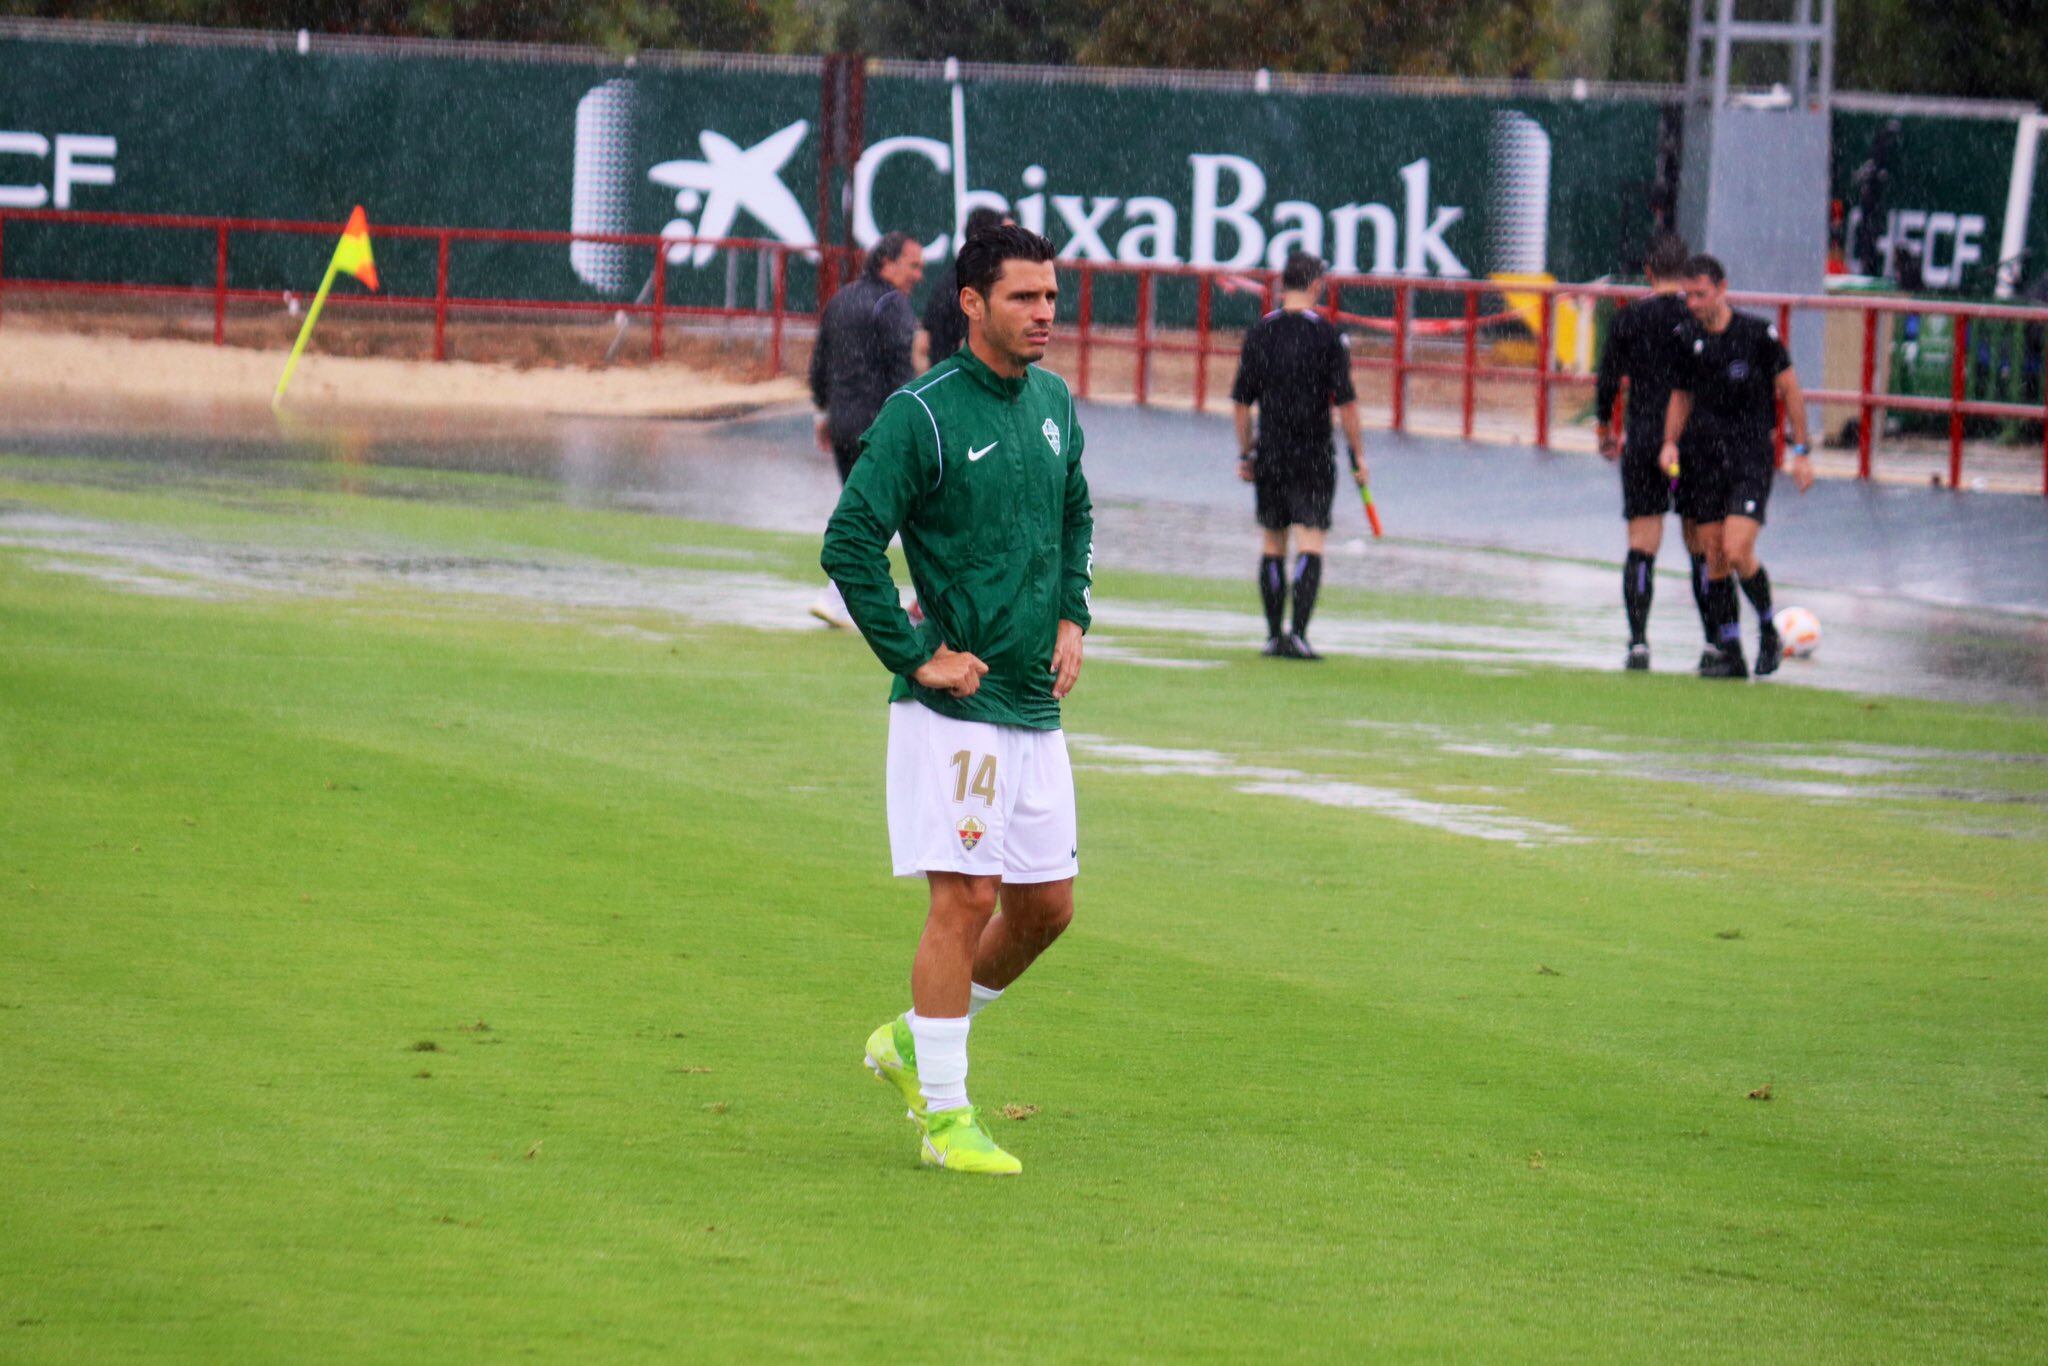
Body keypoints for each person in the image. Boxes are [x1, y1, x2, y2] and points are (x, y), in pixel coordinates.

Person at [820, 225, 1091, 1177]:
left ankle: (911, 1038)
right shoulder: (922, 415)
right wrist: (916, 653)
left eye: (1052, 295)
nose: (1045, 313)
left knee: (1045, 911)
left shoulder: (1056, 403)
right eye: (1024, 297)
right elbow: (849, 543)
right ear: (971, 304)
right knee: (964, 897)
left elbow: (1074, 511)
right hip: (954, 712)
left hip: (1034, 704)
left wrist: (1073, 615)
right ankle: (944, 1115)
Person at [1660, 255, 1815, 679]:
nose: (1693, 303)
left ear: (1723, 289)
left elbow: (1791, 390)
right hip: (1702, 459)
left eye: (1701, 294)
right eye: (1687, 295)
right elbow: (1681, 397)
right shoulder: (1686, 337)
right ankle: (1730, 650)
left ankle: (1768, 628)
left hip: (1748, 458)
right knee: (1712, 555)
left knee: (1736, 549)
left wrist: (1801, 450)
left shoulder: (1757, 334)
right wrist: (1670, 443)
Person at [1231, 251, 1367, 660]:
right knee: (1311, 539)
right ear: (1315, 285)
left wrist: (1246, 452)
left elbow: (1240, 403)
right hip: (1313, 454)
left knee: (1273, 541)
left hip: (1271, 451)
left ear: (1282, 285)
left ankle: (1274, 637)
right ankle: (1300, 635)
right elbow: (1347, 405)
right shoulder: (1328, 335)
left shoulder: (1260, 332)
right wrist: (1358, 457)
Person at [1594, 232, 1710, 671]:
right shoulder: (1696, 320)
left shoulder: (1628, 320)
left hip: (1643, 440)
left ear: (1647, 271)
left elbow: (1607, 379)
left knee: (1643, 544)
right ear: (1686, 275)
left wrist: (1605, 426)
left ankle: (1639, 642)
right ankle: (1714, 640)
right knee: (1700, 543)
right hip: (1689, 443)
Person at [808, 230, 925, 627]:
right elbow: (901, 374)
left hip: (842, 424)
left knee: (864, 511)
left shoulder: (841, 299)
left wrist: (823, 414)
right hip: (880, 427)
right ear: (887, 263)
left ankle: (846, 598)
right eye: (914, 265)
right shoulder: (894, 305)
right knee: (894, 514)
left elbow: (820, 362)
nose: (919, 275)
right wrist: (914, 426)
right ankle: (843, 597)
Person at [918, 206, 1013, 370]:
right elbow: (972, 345)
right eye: (1007, 235)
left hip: (945, 378)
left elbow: (924, 343)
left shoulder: (952, 278)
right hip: (961, 383)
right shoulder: (974, 284)